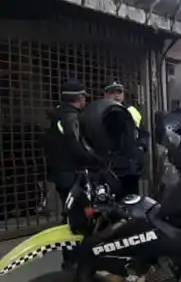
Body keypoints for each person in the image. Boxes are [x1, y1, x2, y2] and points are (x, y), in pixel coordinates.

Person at [44, 79, 93, 207]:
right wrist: (92, 159)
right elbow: (75, 145)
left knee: (68, 206)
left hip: (58, 170)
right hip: (72, 173)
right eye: (84, 97)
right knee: (78, 212)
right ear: (79, 97)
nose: (85, 100)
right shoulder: (71, 117)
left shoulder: (55, 116)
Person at [103, 80, 149, 197]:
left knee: (132, 200)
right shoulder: (101, 112)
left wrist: (140, 149)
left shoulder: (132, 111)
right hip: (110, 167)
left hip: (131, 167)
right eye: (112, 92)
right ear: (105, 95)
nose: (116, 95)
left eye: (119, 92)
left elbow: (143, 133)